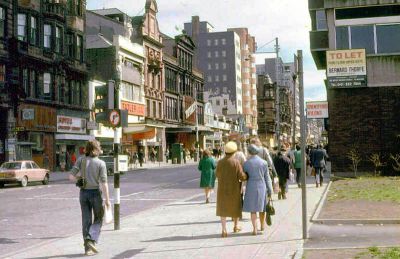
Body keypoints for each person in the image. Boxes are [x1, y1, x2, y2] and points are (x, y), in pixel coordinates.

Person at [69, 140, 111, 256]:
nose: (100, 149)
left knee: (86, 220)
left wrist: (79, 179)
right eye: (99, 148)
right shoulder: (101, 163)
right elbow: (104, 183)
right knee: (98, 217)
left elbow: (71, 177)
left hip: (83, 194)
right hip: (95, 194)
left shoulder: (81, 160)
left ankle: (87, 249)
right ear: (94, 150)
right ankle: (90, 238)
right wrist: (107, 200)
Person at [216, 141, 247, 237]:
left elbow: (216, 174)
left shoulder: (220, 162)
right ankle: (236, 226)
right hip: (234, 188)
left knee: (223, 209)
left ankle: (224, 230)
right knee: (235, 207)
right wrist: (246, 176)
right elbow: (241, 176)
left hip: (222, 189)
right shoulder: (236, 162)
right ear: (234, 152)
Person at [242, 144, 273, 235]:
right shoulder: (264, 162)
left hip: (251, 185)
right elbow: (267, 178)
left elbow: (245, 176)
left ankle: (255, 228)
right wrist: (270, 189)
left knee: (253, 209)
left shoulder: (246, 163)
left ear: (249, 152)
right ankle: (262, 225)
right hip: (261, 185)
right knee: (262, 207)